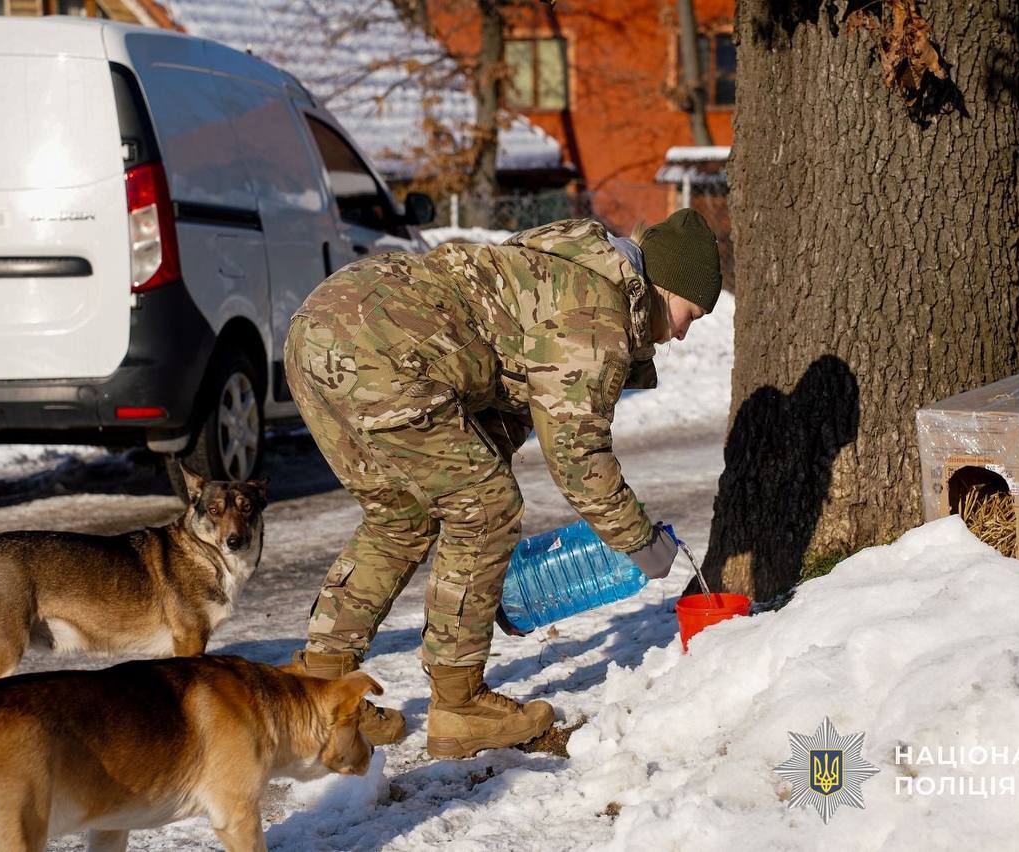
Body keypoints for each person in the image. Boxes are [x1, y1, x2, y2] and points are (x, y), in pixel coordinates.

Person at [283, 208, 722, 758]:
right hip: (383, 350)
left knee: (401, 517)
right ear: (664, 286)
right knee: (486, 508)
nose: (680, 333)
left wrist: (483, 587)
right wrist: (640, 542)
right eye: (689, 314)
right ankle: (459, 706)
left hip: (321, 328)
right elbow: (577, 455)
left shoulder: (566, 266)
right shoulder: (596, 313)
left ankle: (323, 694)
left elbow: (495, 416)